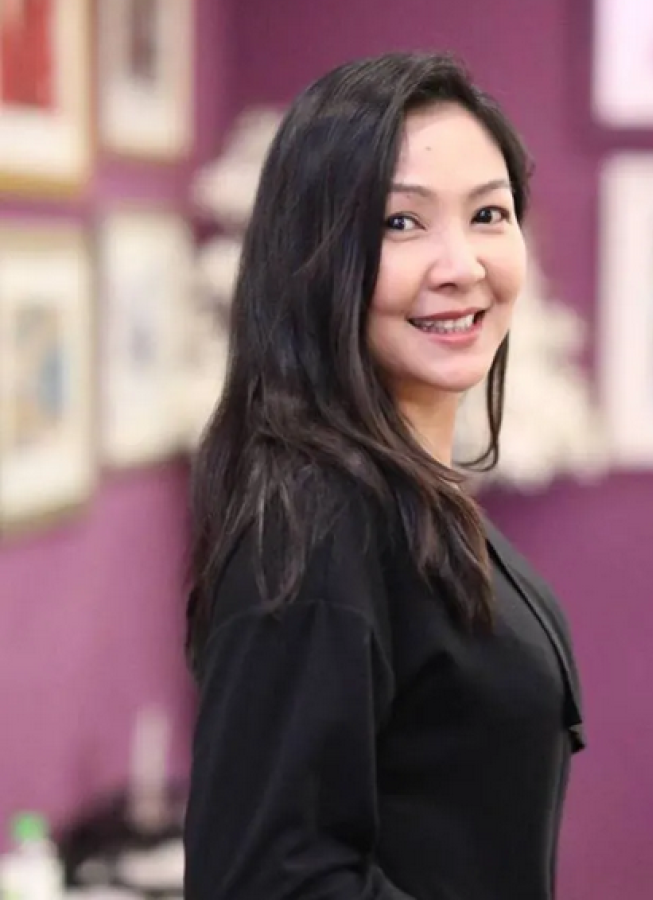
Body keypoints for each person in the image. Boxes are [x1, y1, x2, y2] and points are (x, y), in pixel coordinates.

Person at [183, 51, 586, 900]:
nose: (461, 265)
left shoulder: (407, 491)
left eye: (488, 214)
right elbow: (273, 885)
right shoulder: (314, 527)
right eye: (402, 223)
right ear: (315, 255)